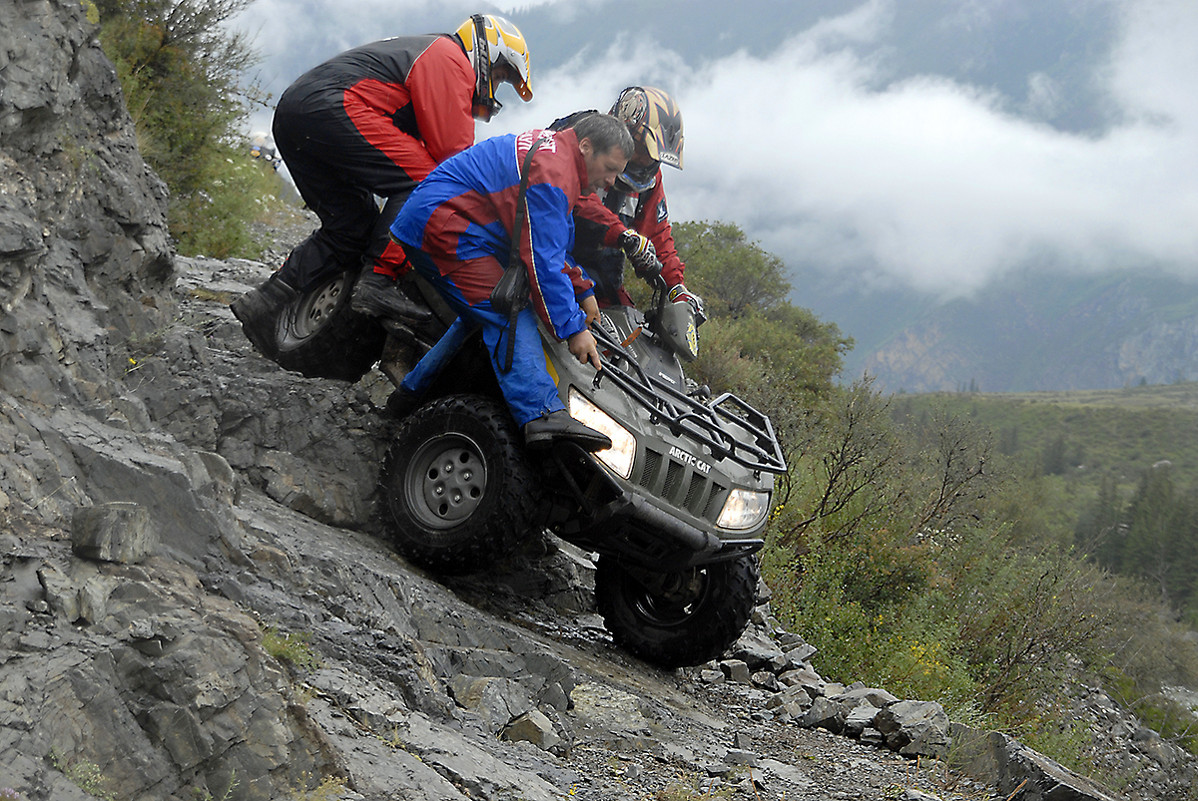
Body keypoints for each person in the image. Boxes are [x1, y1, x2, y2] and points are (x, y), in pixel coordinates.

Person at [230, 14, 534, 357]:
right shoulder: (449, 58)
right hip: (335, 106)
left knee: (352, 226)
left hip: (297, 113)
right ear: (488, 52)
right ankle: (377, 281)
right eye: (500, 74)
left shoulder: (430, 50)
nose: (496, 84)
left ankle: (265, 302)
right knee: (429, 181)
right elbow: (454, 159)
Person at [389, 113, 635, 449]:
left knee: (476, 315)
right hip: (443, 225)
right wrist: (574, 329)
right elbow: (543, 263)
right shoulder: (554, 174)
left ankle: (408, 396)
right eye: (610, 169)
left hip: (455, 221)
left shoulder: (558, 161)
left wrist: (582, 290)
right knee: (507, 308)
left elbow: (548, 239)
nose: (611, 182)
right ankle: (542, 414)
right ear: (587, 146)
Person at [561, 86, 706, 322]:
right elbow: (573, 200)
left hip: (603, 279)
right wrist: (624, 235)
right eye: (642, 149)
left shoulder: (650, 179)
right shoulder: (581, 140)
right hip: (555, 261)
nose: (646, 160)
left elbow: (657, 233)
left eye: (654, 155)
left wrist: (676, 287)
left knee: (632, 337)